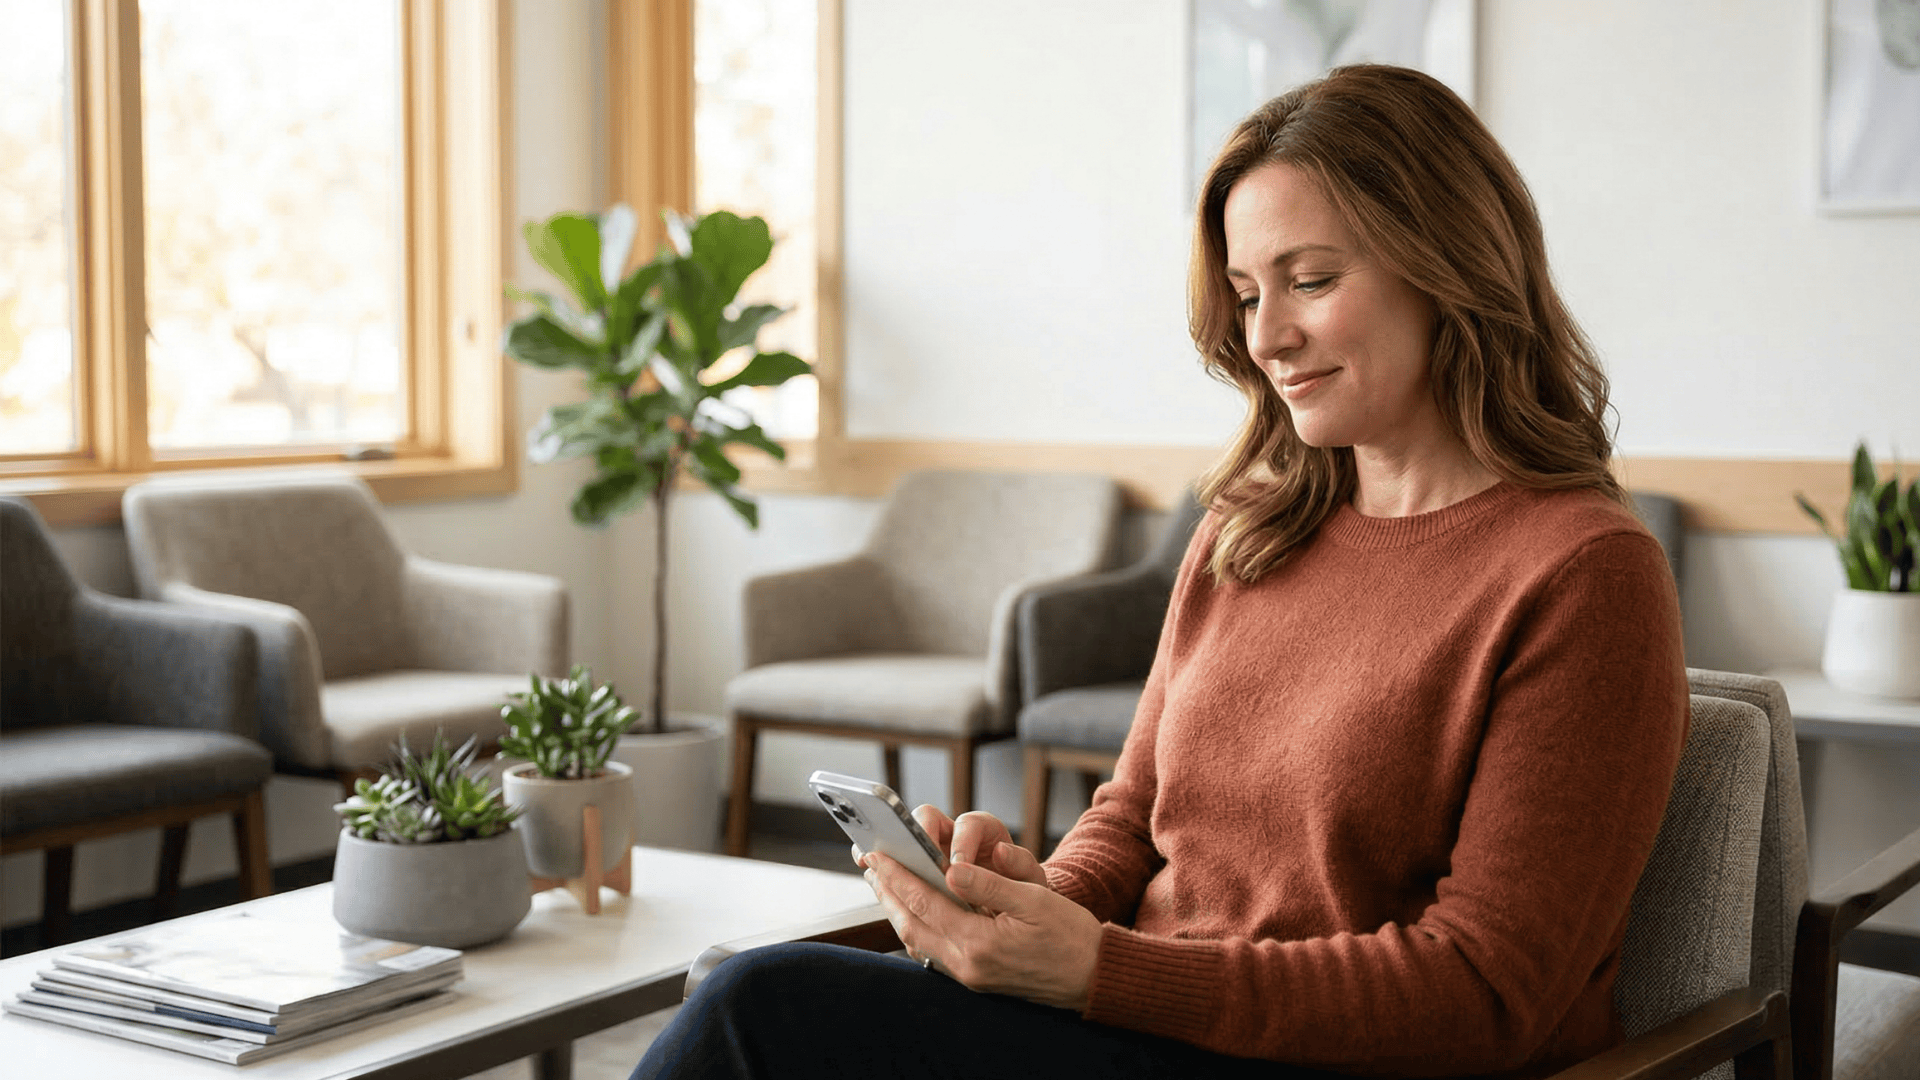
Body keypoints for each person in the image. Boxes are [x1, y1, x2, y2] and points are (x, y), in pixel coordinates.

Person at [632, 64, 1686, 1080]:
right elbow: (1136, 815)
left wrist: (1102, 972)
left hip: (1333, 1059)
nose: (1267, 336)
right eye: (1246, 293)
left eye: (1312, 280)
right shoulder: (1251, 528)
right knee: (751, 989)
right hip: (1149, 1031)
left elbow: (1490, 992)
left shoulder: (1584, 575)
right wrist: (1040, 900)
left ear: (1452, 266)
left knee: (759, 1009)